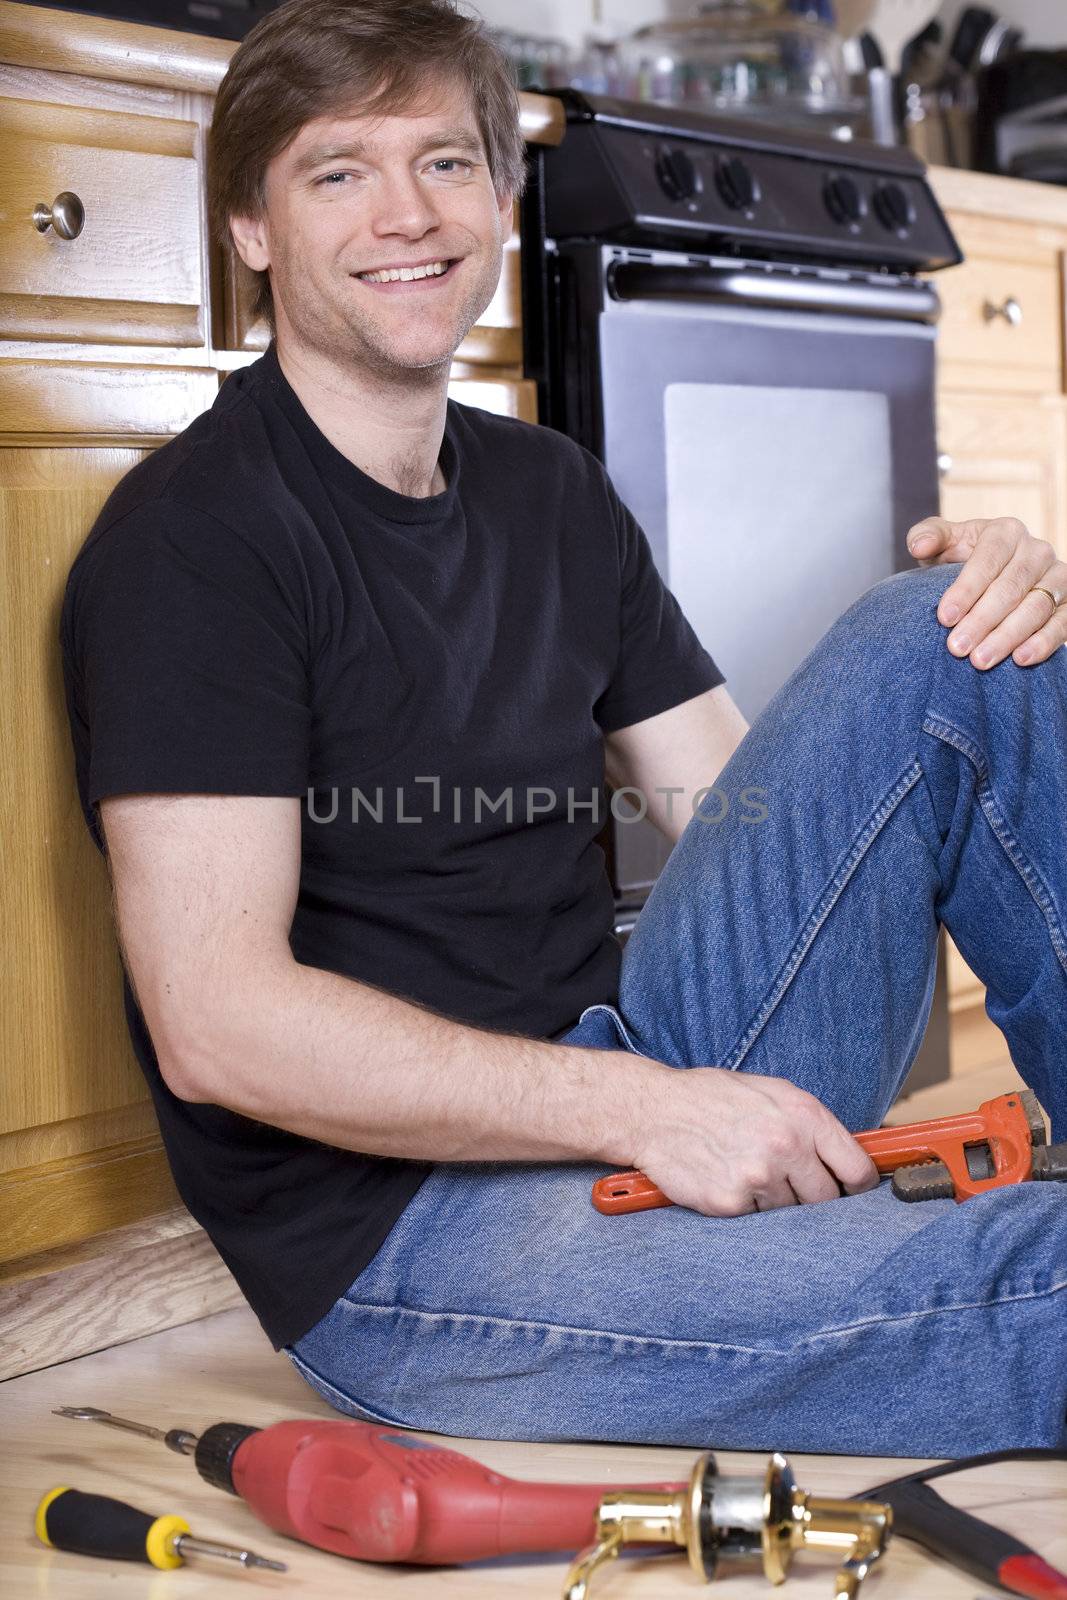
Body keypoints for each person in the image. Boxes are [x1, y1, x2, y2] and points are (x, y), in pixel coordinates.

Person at [60, 0, 1067, 1459]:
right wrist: (640, 1110)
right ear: (252, 231)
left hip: (623, 1072)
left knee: (952, 628)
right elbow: (216, 1026)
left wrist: (992, 624)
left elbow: (755, 822)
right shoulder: (199, 542)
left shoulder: (547, 491)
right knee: (1034, 1281)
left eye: (446, 163)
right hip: (417, 1248)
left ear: (502, 194)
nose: (406, 213)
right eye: (339, 172)